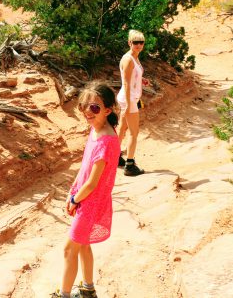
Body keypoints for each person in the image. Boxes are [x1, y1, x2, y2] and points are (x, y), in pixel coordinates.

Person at [51, 82, 121, 298]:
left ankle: (64, 295)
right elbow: (84, 169)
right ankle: (88, 290)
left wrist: (74, 199)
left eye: (95, 108)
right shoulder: (96, 131)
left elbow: (92, 182)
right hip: (86, 200)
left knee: (69, 249)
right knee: (83, 246)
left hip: (90, 203)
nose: (87, 112)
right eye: (84, 107)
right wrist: (73, 190)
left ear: (108, 110)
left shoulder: (107, 141)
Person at [117, 29, 149, 176]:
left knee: (122, 128)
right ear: (129, 42)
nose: (138, 45)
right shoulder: (128, 59)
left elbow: (132, 76)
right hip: (128, 99)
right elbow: (126, 83)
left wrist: (141, 80)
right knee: (134, 133)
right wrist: (130, 105)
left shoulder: (135, 57)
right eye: (135, 42)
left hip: (129, 98)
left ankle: (115, 157)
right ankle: (129, 165)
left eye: (141, 42)